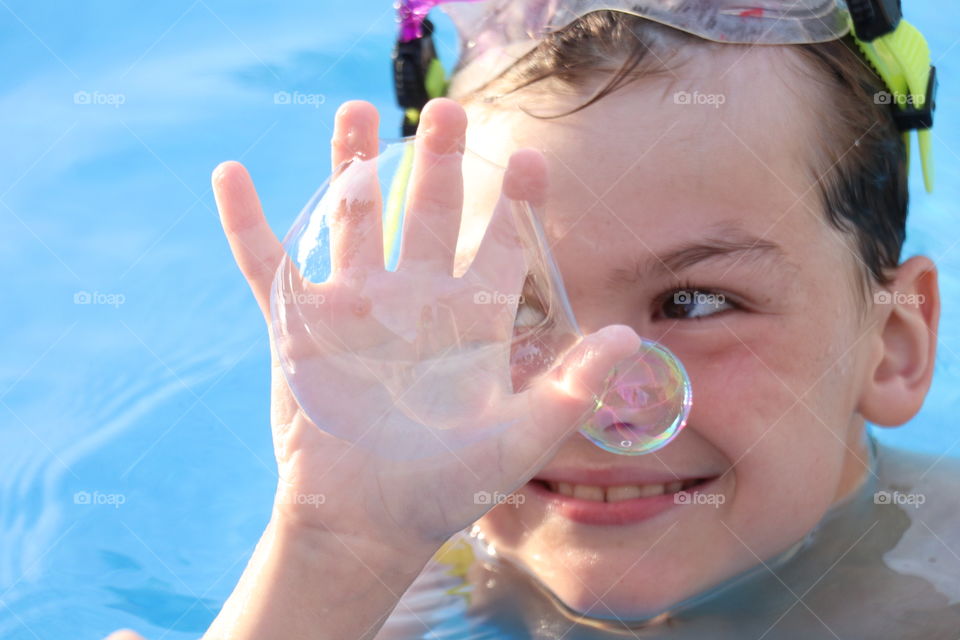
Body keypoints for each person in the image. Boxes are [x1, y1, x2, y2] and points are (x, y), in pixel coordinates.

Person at [106, 1, 960, 638]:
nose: (592, 398)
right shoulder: (401, 575)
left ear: (893, 344)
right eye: (513, 307)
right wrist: (333, 548)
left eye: (693, 303)